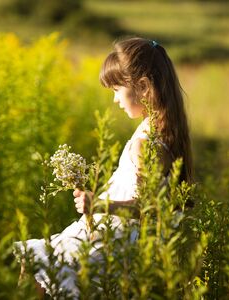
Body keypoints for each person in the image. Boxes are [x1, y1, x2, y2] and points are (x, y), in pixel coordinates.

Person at [13, 36, 193, 298]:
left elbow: (146, 208)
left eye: (117, 90)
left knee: (38, 266)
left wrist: (98, 205)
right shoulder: (164, 134)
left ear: (142, 87)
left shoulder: (146, 143)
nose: (115, 101)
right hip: (117, 237)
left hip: (114, 243)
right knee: (38, 267)